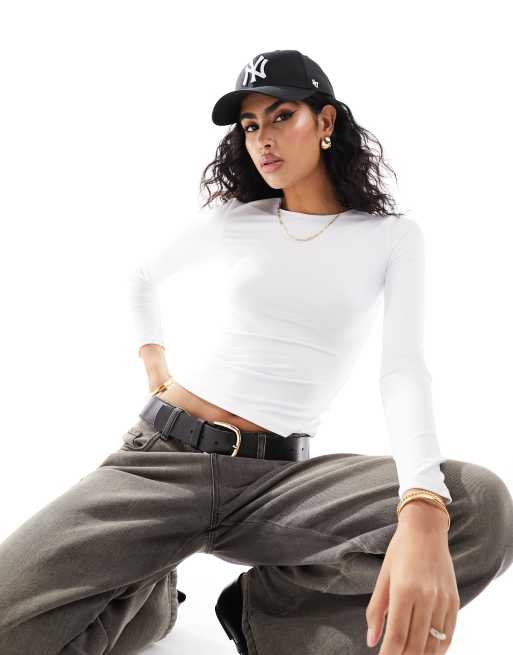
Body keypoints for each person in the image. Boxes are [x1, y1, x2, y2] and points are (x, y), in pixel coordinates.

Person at [0, 49, 512, 655]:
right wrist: (155, 365)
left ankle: (261, 615)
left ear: (326, 122)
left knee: (479, 505)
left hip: (277, 482)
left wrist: (422, 501)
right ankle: (148, 593)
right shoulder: (236, 220)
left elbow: (402, 372)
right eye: (249, 126)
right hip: (163, 462)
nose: (262, 138)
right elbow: (140, 276)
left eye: (281, 116)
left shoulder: (391, 238)